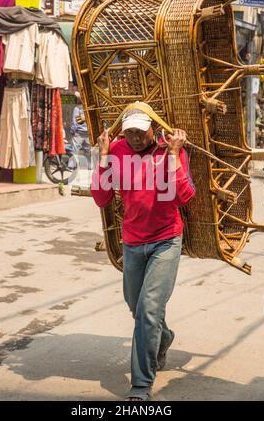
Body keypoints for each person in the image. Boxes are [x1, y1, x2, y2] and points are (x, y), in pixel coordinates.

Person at [90, 102, 196, 401]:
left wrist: (174, 155)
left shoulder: (169, 150)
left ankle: (141, 384)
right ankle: (164, 337)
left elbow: (184, 197)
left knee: (149, 309)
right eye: (129, 132)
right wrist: (103, 156)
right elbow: (100, 198)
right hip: (133, 241)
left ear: (153, 128)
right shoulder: (118, 151)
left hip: (166, 239)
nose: (135, 137)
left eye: (140, 130)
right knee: (135, 306)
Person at [70, 91, 91, 169]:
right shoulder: (90, 108)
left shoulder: (77, 108)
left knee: (74, 150)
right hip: (88, 132)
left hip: (79, 132)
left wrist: (72, 131)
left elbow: (75, 122)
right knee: (88, 151)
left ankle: (72, 165)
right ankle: (90, 166)